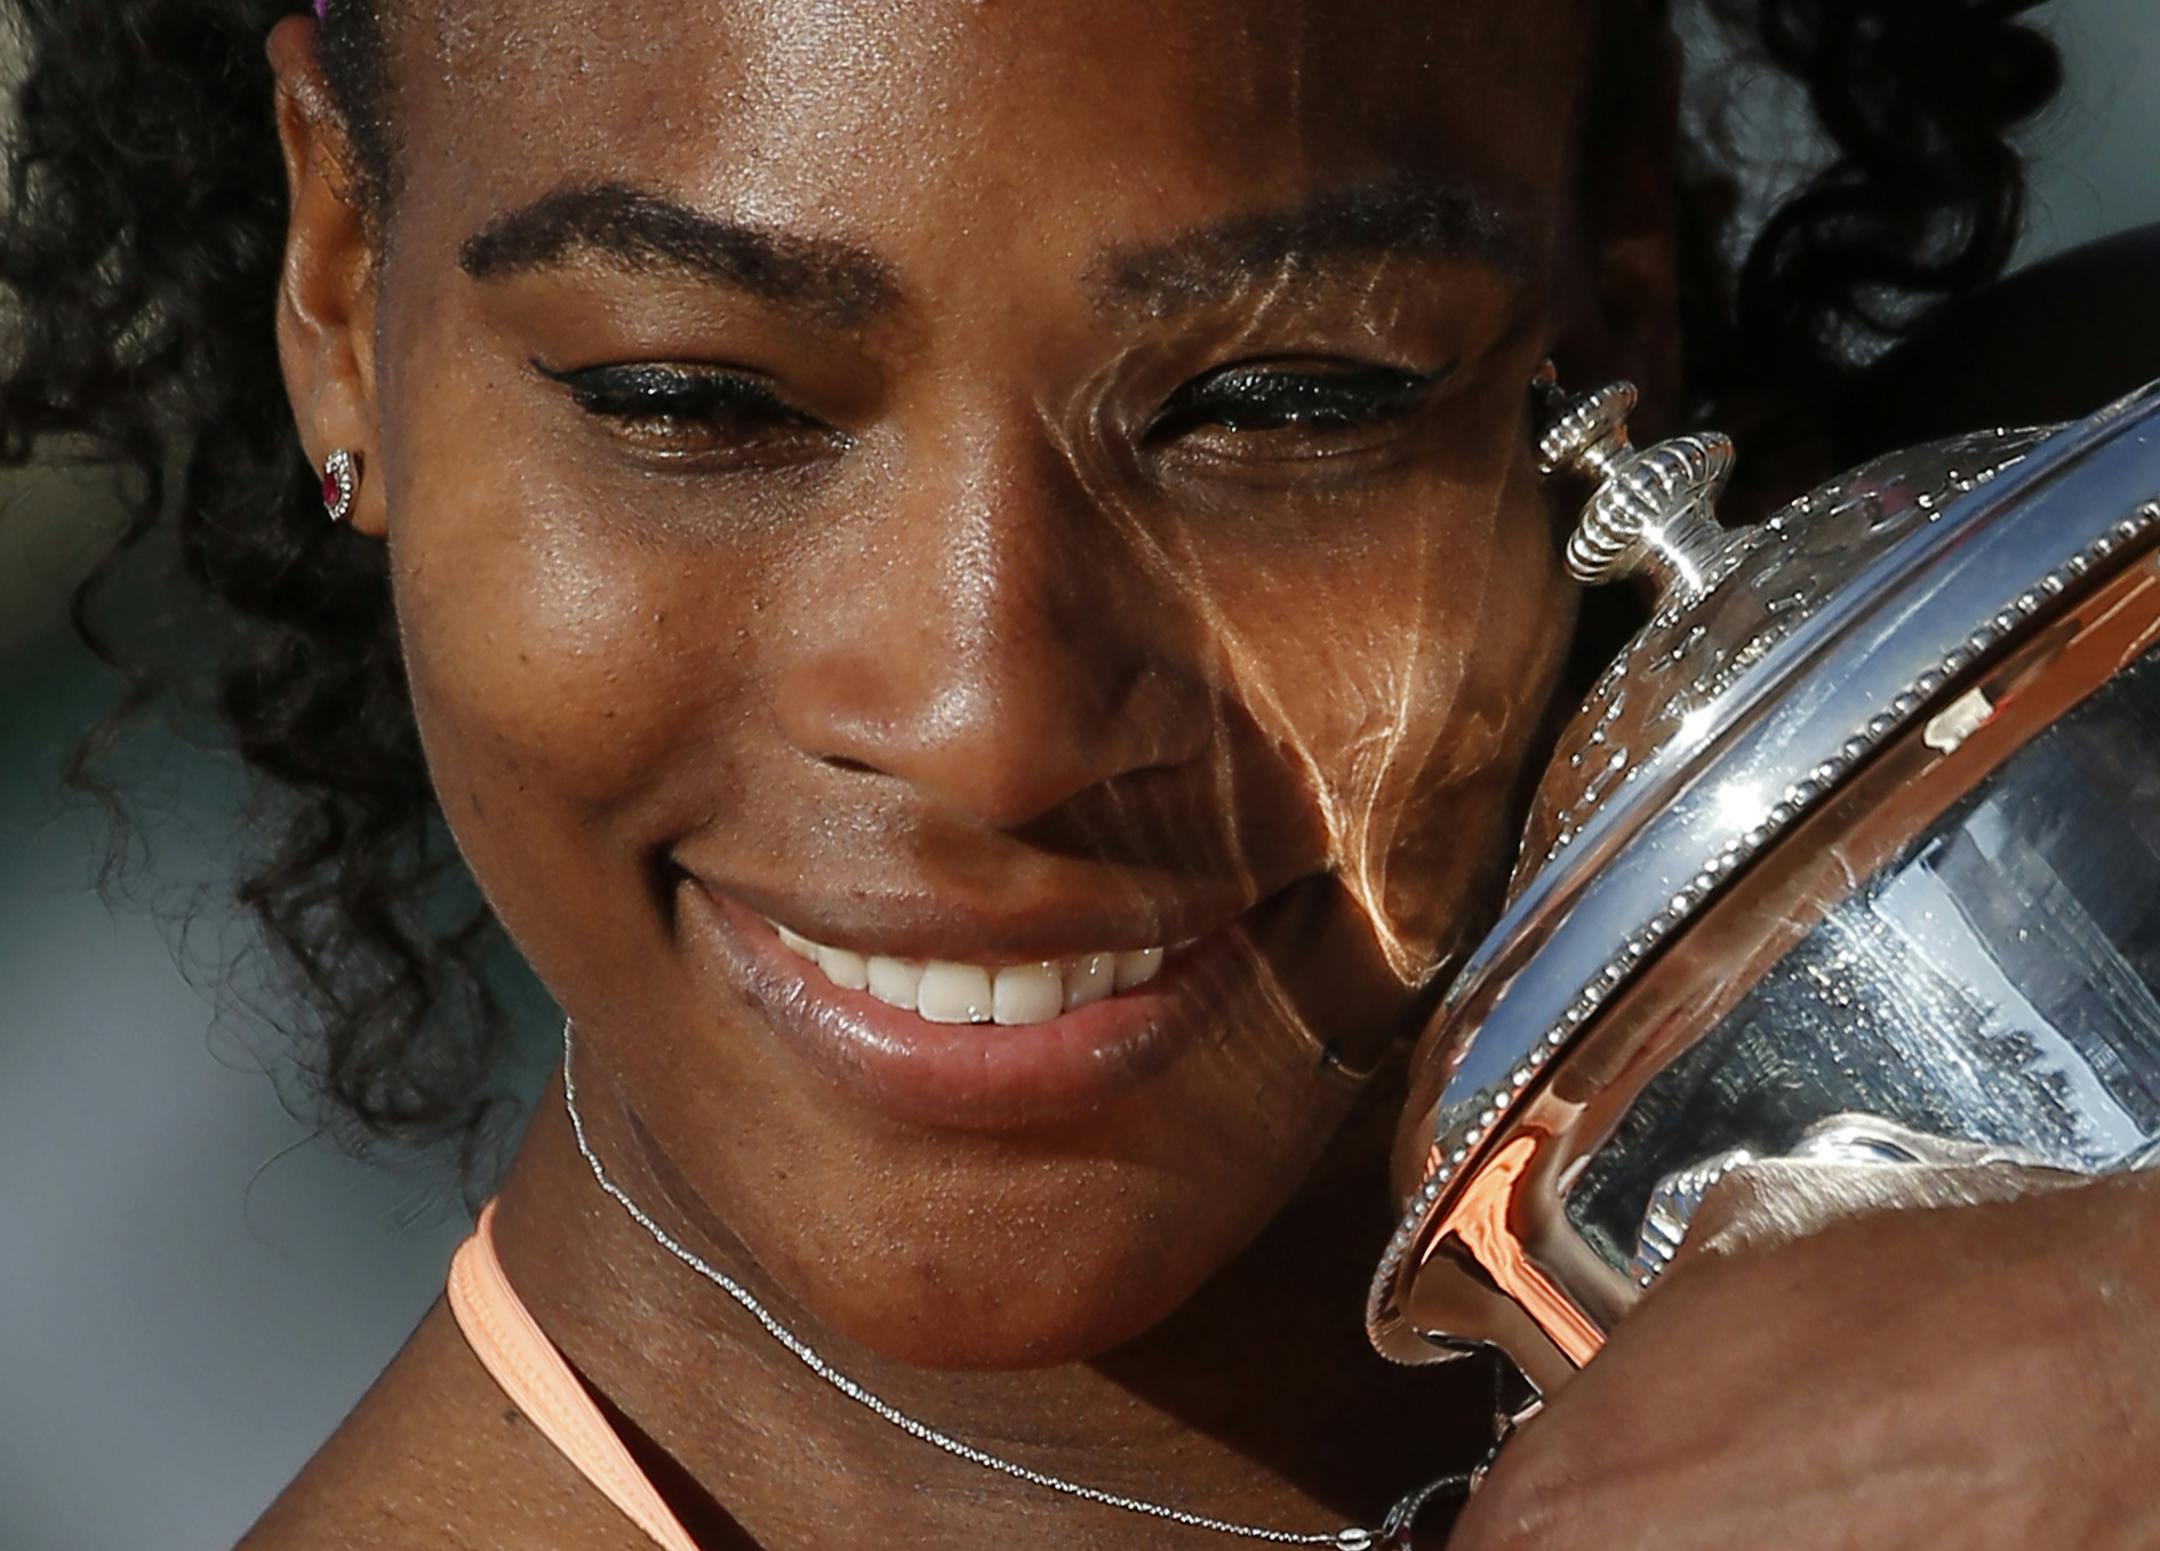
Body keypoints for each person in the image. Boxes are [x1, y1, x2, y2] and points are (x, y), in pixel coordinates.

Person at [4, 0, 2156, 1546]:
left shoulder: (2097, 553)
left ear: (1604, 269)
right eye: (693, 397)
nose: (987, 712)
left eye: (1288, 397)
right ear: (340, 283)